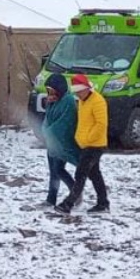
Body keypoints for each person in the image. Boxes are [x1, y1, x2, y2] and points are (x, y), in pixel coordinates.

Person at [55, 74, 110, 215]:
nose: (78, 94)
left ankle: (68, 204)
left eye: (79, 91)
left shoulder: (97, 101)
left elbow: (101, 124)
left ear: (86, 89)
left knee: (81, 173)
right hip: (86, 144)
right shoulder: (84, 101)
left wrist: (87, 138)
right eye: (76, 92)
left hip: (95, 145)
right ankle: (103, 203)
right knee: (95, 174)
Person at [40, 73, 80, 207]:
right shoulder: (52, 101)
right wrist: (45, 130)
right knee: (53, 171)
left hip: (62, 143)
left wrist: (50, 132)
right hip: (51, 143)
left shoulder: (68, 101)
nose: (49, 92)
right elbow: (47, 119)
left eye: (52, 89)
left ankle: (75, 191)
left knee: (58, 169)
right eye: (48, 90)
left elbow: (64, 123)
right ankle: (51, 199)